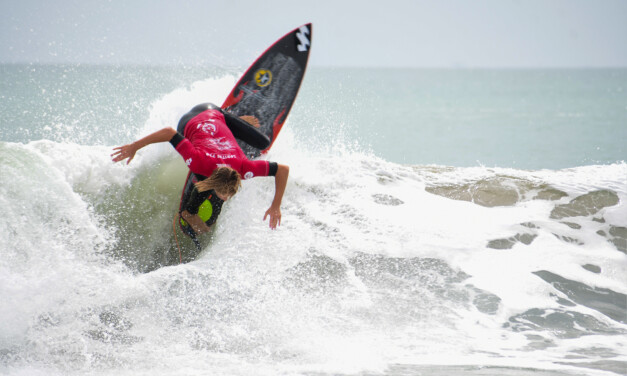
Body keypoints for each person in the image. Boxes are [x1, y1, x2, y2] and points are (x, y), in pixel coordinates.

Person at [111, 103, 289, 234]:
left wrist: (276, 205)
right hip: (194, 118)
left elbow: (283, 169)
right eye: (224, 195)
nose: (226, 199)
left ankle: (230, 121)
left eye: (228, 195)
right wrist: (135, 146)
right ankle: (189, 213)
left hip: (215, 115)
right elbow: (169, 132)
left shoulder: (245, 168)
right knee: (200, 177)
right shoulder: (198, 162)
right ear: (213, 181)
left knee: (263, 143)